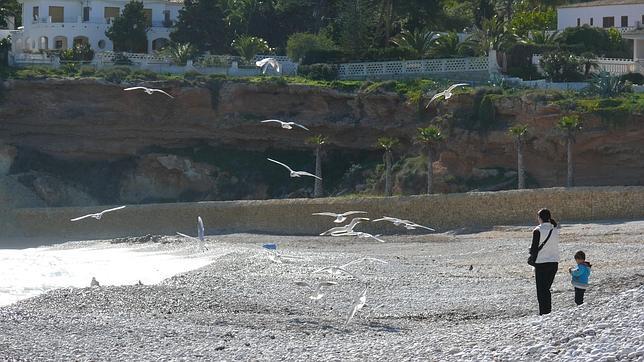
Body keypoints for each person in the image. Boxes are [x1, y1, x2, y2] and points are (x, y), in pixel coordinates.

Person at [529, 208, 560, 315]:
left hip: (542, 263)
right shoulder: (555, 229)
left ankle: (544, 312)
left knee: (541, 291)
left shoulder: (537, 230)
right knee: (546, 288)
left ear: (540, 218)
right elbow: (555, 225)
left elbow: (533, 249)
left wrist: (530, 251)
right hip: (554, 262)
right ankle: (548, 312)